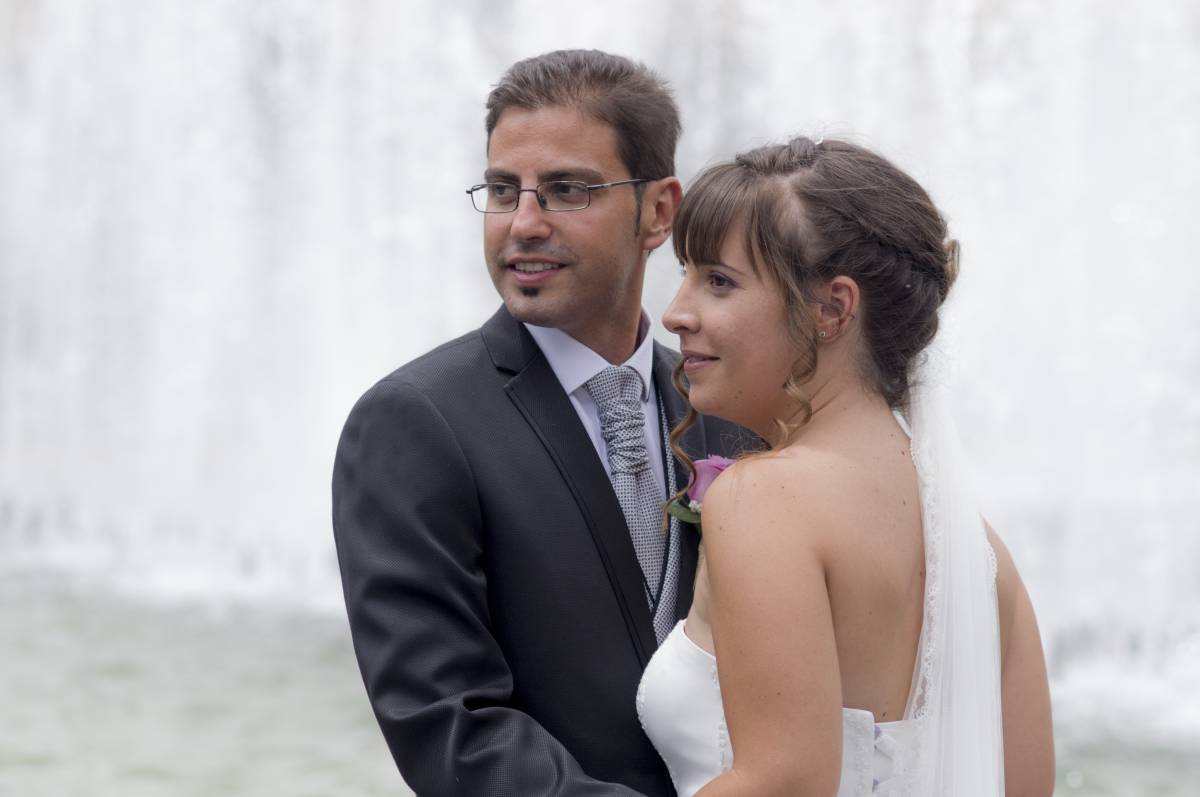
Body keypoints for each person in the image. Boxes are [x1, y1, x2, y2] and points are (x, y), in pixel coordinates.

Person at [331, 50, 745, 796]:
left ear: (658, 211)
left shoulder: (730, 411)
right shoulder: (412, 423)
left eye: (565, 191)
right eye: (501, 190)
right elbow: (452, 723)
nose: (522, 223)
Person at [637, 137, 1055, 795]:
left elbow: (786, 781)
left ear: (832, 308)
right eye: (685, 275)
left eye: (718, 281)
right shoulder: (983, 557)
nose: (676, 312)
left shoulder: (763, 499)